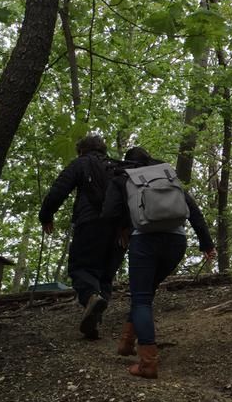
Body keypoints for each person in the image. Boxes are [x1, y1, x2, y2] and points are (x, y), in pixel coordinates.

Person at [102, 146, 216, 379]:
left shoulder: (123, 177)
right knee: (147, 291)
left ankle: (147, 363)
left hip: (144, 241)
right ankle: (126, 342)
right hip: (177, 242)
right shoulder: (164, 174)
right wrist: (206, 243)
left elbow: (109, 212)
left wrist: (123, 228)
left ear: (127, 162)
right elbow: (192, 209)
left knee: (141, 298)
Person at [38, 134, 124, 340]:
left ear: (82, 150)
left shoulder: (81, 163)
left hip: (90, 223)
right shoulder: (118, 167)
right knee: (105, 275)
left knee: (81, 268)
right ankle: (93, 321)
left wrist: (46, 215)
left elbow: (59, 189)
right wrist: (127, 228)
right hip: (119, 230)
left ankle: (91, 299)